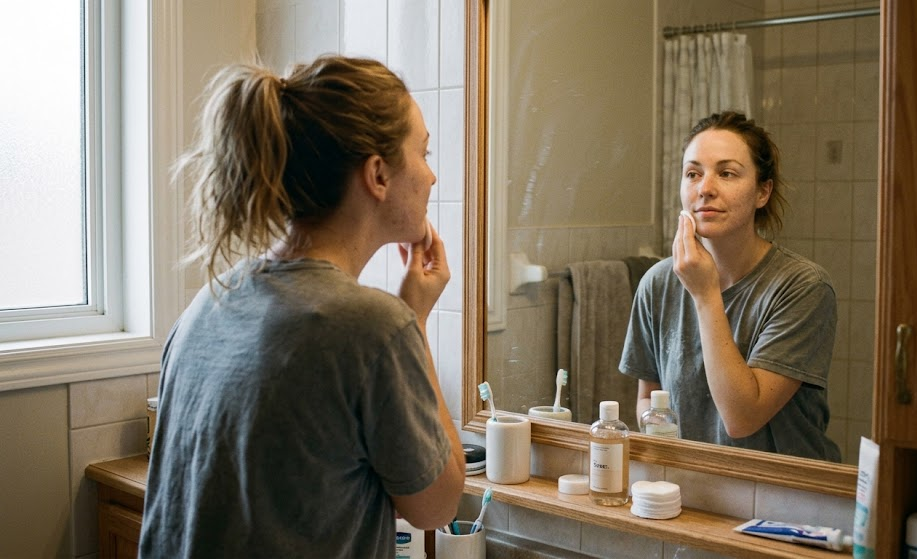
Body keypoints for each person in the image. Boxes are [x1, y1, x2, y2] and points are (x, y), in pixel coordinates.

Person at [138, 55, 466, 558]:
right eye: (423, 152)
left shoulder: (210, 302)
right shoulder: (374, 327)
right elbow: (437, 506)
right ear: (378, 175)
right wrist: (415, 320)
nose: (432, 176)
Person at [619, 111, 841, 462]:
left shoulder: (803, 287)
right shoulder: (657, 284)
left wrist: (706, 295)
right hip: (695, 489)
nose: (705, 188)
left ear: (762, 192)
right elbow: (649, 396)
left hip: (788, 497)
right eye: (693, 174)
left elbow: (742, 418)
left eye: (726, 173)